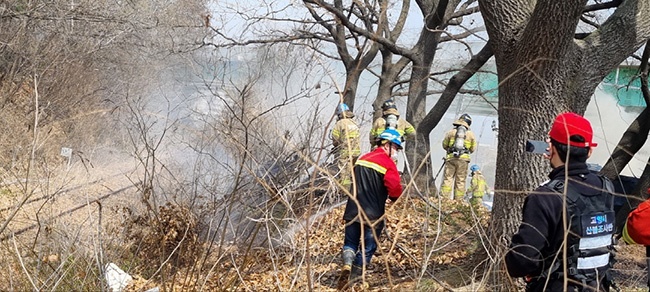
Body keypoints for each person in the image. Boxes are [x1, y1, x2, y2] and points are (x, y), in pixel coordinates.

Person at [505, 112, 616, 291]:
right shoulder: (606, 188)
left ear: (551, 148)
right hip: (597, 286)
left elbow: (520, 262)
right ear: (589, 151)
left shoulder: (545, 197)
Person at [338, 128, 403, 289]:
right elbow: (394, 188)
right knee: (367, 248)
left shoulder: (362, 159)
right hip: (373, 216)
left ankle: (346, 264)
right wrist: (394, 199)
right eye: (395, 147)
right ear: (386, 145)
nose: (396, 151)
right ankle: (355, 279)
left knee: (350, 243)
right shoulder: (388, 164)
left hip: (352, 211)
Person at [441, 113, 477, 200]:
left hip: (451, 158)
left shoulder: (450, 132)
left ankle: (444, 199)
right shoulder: (471, 135)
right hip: (463, 160)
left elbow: (444, 145)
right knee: (460, 180)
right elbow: (472, 149)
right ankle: (458, 200)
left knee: (448, 179)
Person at [331, 103, 361, 190]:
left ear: (340, 113)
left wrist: (336, 146)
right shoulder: (354, 122)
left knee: (344, 173)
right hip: (356, 152)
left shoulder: (340, 123)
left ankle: (345, 192)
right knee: (352, 172)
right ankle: (355, 190)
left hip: (345, 152)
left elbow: (335, 138)